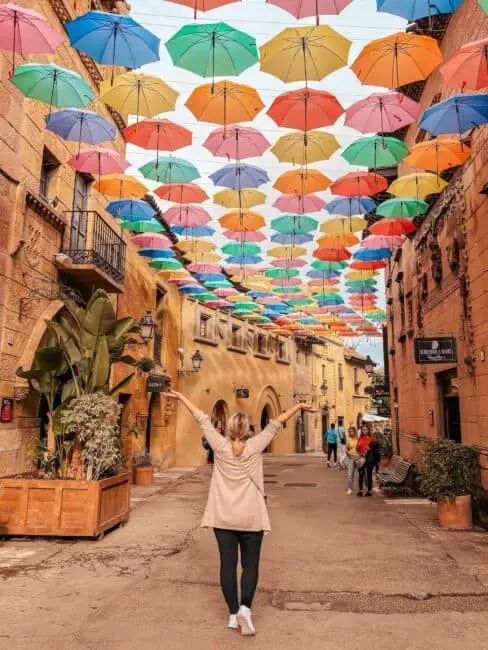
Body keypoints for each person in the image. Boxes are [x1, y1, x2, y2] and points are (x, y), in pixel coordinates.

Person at [163, 390, 314, 636]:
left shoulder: (219, 445)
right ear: (247, 430)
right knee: (250, 565)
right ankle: (246, 608)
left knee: (227, 565)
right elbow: (276, 424)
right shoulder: (255, 446)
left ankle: (233, 613)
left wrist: (181, 397)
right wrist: (298, 407)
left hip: (223, 517)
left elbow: (201, 418)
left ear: (229, 429)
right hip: (251, 517)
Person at [357, 423, 377, 497]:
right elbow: (357, 449)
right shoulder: (360, 439)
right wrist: (358, 447)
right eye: (363, 430)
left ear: (368, 430)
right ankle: (360, 490)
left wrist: (370, 449)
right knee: (361, 474)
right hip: (361, 458)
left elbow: (376, 449)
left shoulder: (372, 439)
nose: (364, 431)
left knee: (369, 475)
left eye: (366, 429)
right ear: (361, 431)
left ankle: (369, 490)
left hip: (369, 459)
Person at [345, 426, 359, 495]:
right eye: (350, 431)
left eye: (352, 431)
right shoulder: (348, 439)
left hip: (358, 458)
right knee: (350, 474)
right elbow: (346, 449)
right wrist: (348, 453)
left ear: (355, 431)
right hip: (350, 458)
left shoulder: (358, 439)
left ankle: (363, 488)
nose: (351, 432)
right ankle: (350, 488)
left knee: (361, 474)